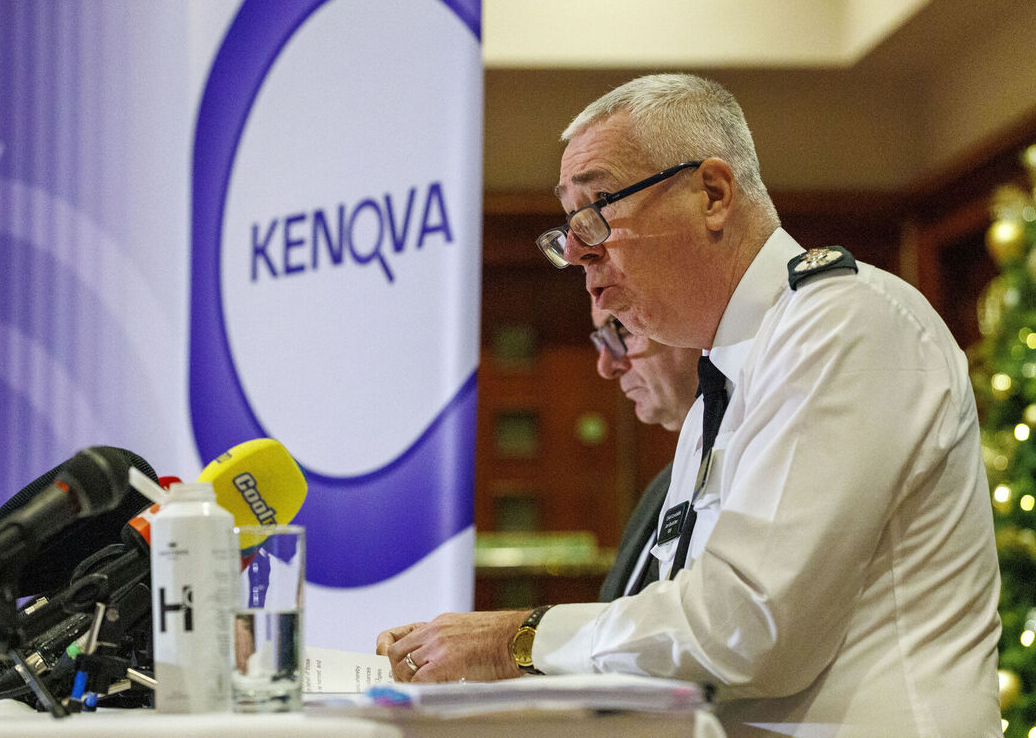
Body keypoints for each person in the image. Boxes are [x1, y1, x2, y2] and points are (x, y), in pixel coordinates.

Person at [377, 74, 1001, 736]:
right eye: (570, 223)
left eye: (599, 205)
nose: (579, 250)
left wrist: (518, 641)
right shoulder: (722, 375)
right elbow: (682, 634)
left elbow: (749, 624)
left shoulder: (842, 323)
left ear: (712, 194)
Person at [590, 304, 699, 602]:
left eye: (619, 329)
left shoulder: (762, 462)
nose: (607, 365)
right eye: (601, 339)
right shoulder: (662, 487)